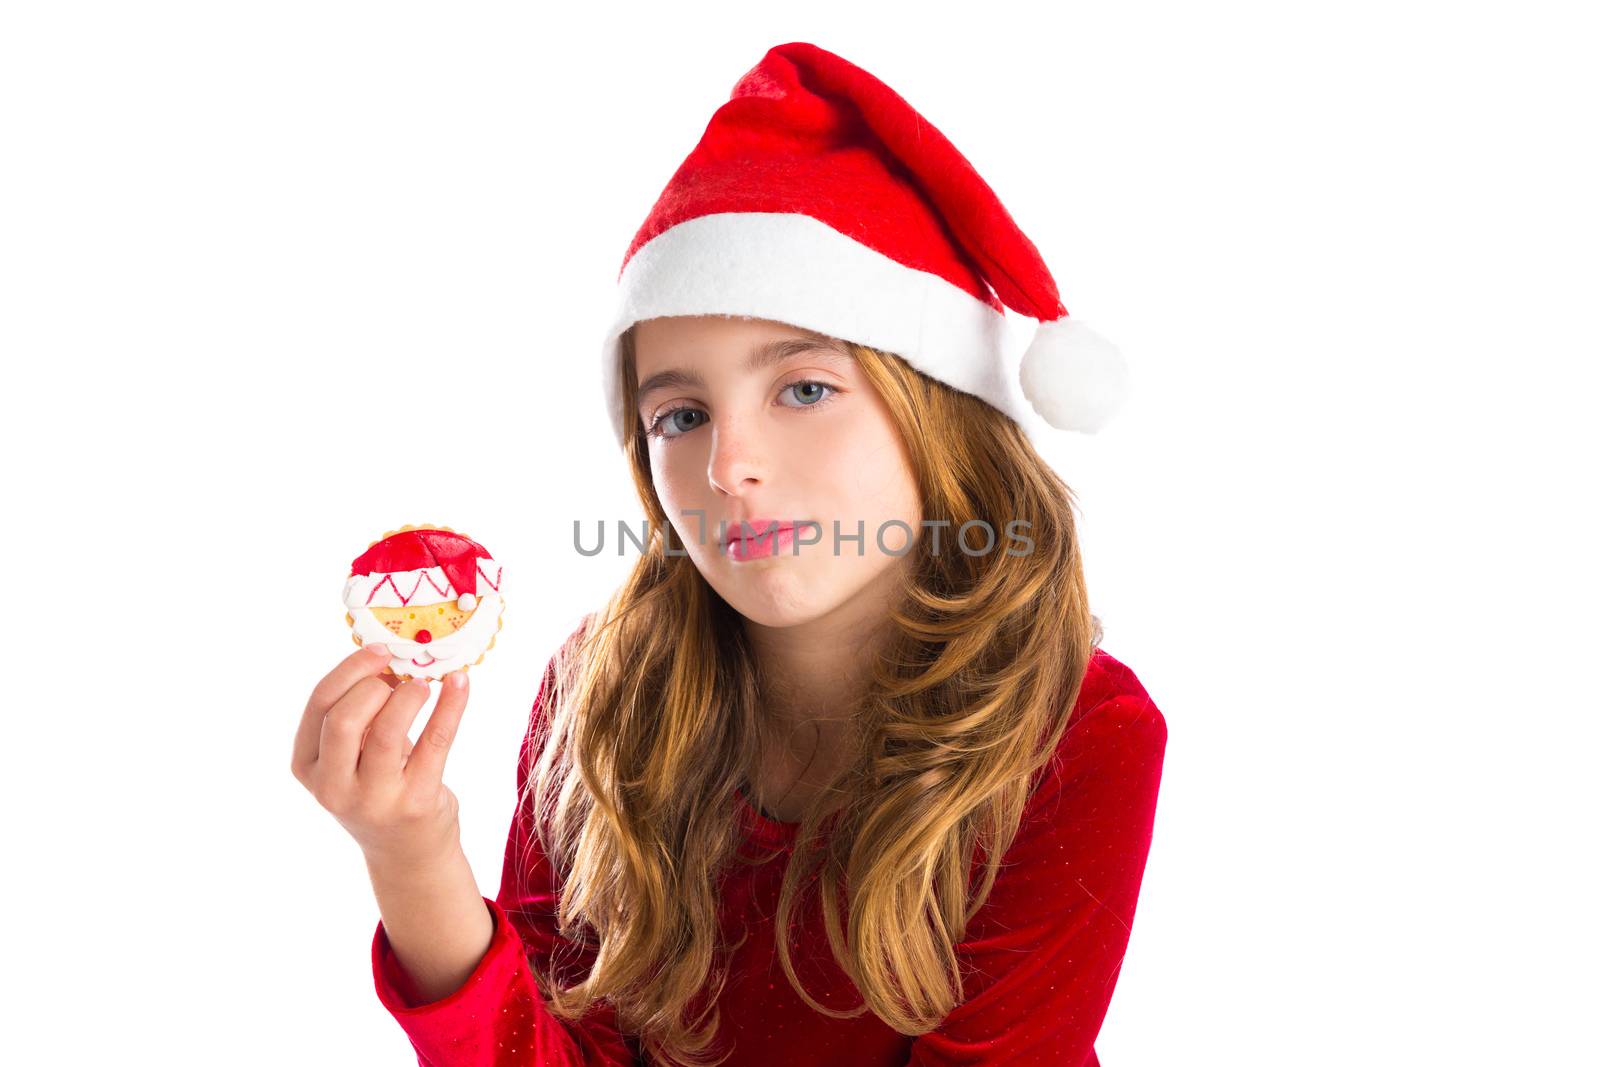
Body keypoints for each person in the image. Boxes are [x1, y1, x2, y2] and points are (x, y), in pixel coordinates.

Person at [293, 41, 1167, 1067]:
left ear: (939, 415)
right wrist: (413, 853)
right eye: (680, 414)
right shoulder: (602, 691)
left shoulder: (1076, 733)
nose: (729, 465)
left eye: (803, 388)